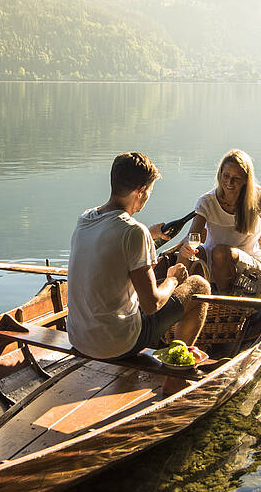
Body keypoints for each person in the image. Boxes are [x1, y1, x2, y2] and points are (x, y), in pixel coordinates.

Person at [67, 152, 210, 360]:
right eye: (150, 191)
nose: (148, 197)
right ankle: (176, 368)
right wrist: (173, 279)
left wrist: (151, 234)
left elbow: (111, 245)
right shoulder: (134, 232)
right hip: (117, 344)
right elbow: (151, 305)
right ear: (140, 191)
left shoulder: (86, 219)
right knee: (198, 286)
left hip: (79, 338)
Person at [183, 149, 261, 297]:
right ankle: (174, 300)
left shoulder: (257, 197)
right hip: (213, 261)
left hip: (246, 264)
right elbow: (192, 236)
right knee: (184, 255)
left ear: (245, 179)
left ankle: (224, 300)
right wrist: (187, 247)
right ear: (220, 175)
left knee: (221, 253)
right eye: (226, 176)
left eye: (236, 178)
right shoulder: (207, 201)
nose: (229, 183)